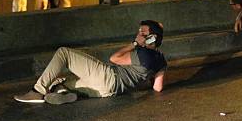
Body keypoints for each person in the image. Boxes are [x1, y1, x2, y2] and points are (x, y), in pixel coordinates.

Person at [13, 20, 167, 104]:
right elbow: (158, 88)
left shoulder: (142, 53)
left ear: (151, 37)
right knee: (61, 81)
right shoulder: (160, 60)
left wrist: (134, 44)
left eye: (142, 32)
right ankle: (64, 91)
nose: (138, 33)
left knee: (63, 53)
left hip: (107, 76)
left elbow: (114, 59)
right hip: (109, 91)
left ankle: (37, 91)